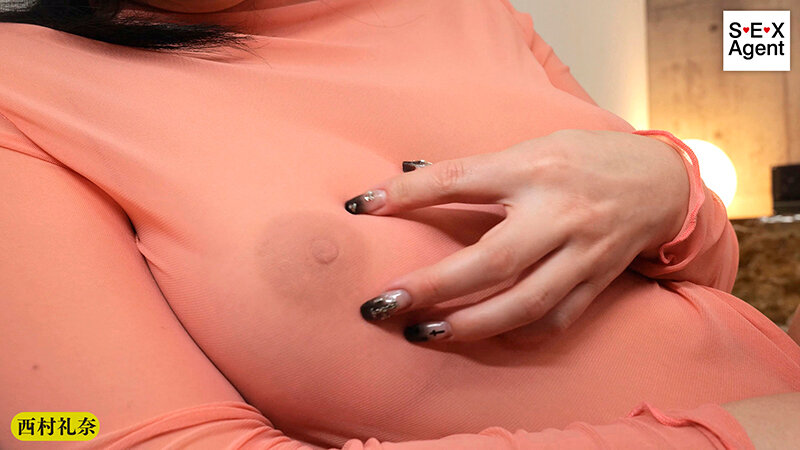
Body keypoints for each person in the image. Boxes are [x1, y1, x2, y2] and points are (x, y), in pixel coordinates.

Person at [1, 0, 798, 448]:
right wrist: (741, 436)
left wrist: (668, 186)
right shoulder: (24, 89)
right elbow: (78, 435)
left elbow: (703, 279)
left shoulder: (465, 8)